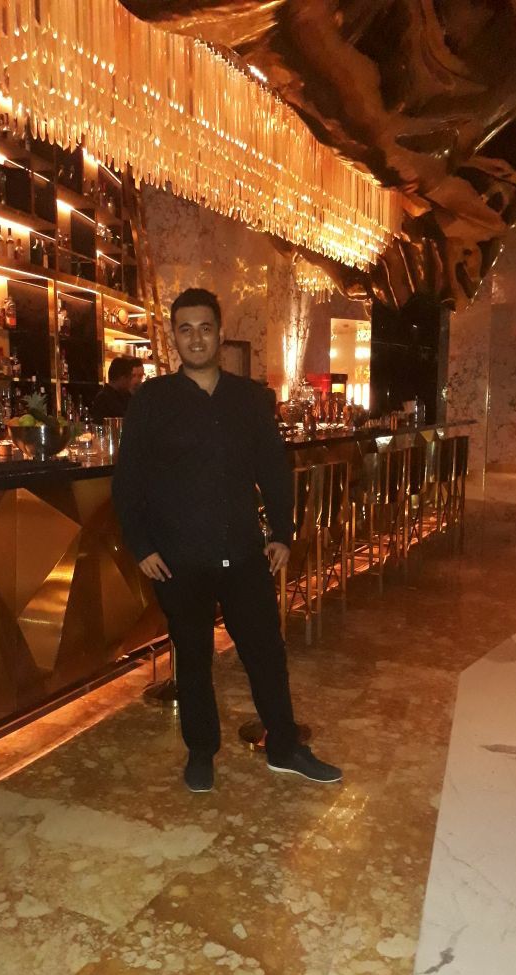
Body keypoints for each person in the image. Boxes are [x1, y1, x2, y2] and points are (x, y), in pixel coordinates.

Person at [114, 287, 342, 792]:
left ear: (220, 334)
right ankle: (201, 751)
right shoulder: (152, 401)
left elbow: (273, 471)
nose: (196, 338)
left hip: (242, 551)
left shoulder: (249, 399)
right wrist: (141, 545)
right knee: (193, 657)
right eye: (185, 329)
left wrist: (282, 532)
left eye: (205, 328)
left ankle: (284, 747)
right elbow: (128, 480)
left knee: (266, 652)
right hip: (179, 557)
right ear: (174, 337)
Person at [92, 356, 134, 422]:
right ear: (122, 378)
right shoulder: (103, 399)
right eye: (130, 378)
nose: (130, 382)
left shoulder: (126, 396)